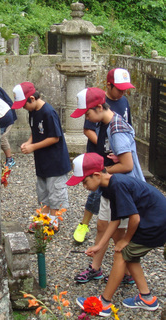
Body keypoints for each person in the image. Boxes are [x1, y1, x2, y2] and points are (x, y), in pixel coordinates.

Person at [66, 153, 165, 317]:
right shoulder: (107, 187)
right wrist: (98, 246)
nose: (83, 186)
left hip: (155, 224)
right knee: (129, 255)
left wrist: (125, 240)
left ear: (97, 175)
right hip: (153, 221)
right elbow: (116, 220)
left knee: (121, 254)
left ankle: (104, 303)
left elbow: (134, 218)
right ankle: (147, 298)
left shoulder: (117, 185)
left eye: (84, 181)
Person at [71, 87, 145, 284]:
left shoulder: (116, 128)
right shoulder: (105, 123)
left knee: (119, 235)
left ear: (99, 107)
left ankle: (129, 275)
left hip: (122, 187)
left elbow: (127, 165)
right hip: (109, 184)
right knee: (102, 225)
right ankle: (96, 268)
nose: (86, 117)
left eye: (87, 113)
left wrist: (102, 171)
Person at [73, 68, 135, 243]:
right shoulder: (97, 102)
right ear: (109, 85)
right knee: (95, 193)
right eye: (119, 88)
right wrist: (103, 151)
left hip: (115, 163)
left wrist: (116, 150)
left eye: (125, 89)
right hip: (100, 159)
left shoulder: (123, 105)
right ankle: (84, 225)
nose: (123, 92)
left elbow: (128, 132)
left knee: (110, 203)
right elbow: (89, 129)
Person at [11, 82, 71, 229]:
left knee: (55, 193)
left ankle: (53, 223)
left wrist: (33, 147)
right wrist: (29, 142)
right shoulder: (33, 112)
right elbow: (35, 131)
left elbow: (55, 137)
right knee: (43, 192)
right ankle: (44, 219)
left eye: (24, 104)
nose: (23, 108)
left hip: (55, 162)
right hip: (42, 161)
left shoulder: (48, 112)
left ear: (32, 98)